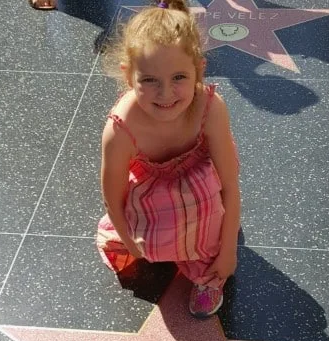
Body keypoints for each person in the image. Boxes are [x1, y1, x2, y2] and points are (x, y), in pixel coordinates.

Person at [97, 0, 241, 318]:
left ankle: (205, 271)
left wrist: (228, 250)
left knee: (206, 212)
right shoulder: (120, 127)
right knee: (134, 244)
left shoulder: (210, 108)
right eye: (149, 80)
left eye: (179, 77)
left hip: (201, 194)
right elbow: (112, 197)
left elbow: (230, 185)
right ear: (128, 75)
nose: (166, 94)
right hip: (151, 198)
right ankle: (169, 238)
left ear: (199, 69)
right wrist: (128, 239)